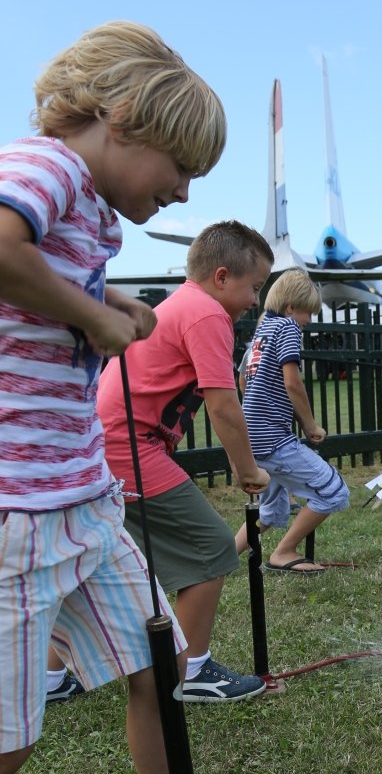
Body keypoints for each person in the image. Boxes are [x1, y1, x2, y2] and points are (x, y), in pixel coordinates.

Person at [0, 20, 281, 774]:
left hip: (83, 499)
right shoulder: (44, 166)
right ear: (122, 121)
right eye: (180, 169)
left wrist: (110, 299)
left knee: (158, 667)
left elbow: (42, 271)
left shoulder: (84, 204)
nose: (184, 193)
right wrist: (91, 316)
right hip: (17, 510)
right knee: (9, 737)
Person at [96, 221, 274, 702]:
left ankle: (51, 677)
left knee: (90, 559)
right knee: (211, 547)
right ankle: (193, 670)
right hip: (127, 446)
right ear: (221, 277)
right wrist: (246, 469)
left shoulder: (183, 305)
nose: (256, 301)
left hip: (112, 444)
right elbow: (223, 405)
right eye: (254, 287)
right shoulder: (207, 314)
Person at [233, 269, 350, 574]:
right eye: (307, 313)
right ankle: (283, 552)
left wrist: (261, 409)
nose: (309, 321)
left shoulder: (262, 331)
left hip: (252, 435)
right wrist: (310, 426)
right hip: (273, 438)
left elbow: (244, 378)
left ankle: (224, 557)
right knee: (333, 490)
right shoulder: (287, 328)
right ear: (290, 308)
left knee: (271, 510)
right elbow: (292, 383)